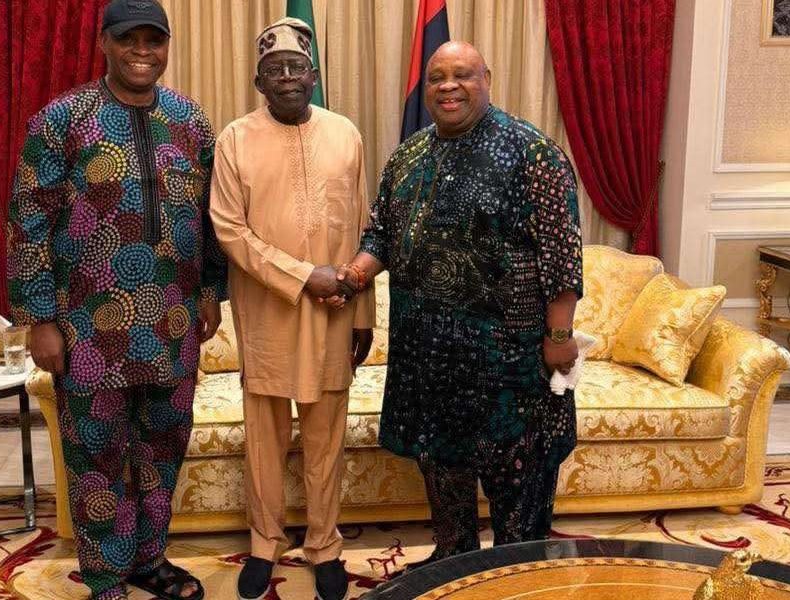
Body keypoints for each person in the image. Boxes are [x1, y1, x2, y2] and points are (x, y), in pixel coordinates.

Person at [330, 41, 583, 566]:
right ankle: (454, 561)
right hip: (428, 361)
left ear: (486, 78)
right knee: (442, 470)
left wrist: (559, 337)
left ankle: (516, 573)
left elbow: (562, 255)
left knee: (520, 480)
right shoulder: (409, 155)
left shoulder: (531, 152)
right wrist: (354, 274)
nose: (448, 85)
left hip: (510, 366)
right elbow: (382, 232)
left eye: (462, 75)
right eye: (437, 76)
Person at [7, 1, 226, 598]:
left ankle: (148, 560)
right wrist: (40, 320)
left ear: (166, 47)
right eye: (130, 39)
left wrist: (211, 288)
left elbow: (212, 218)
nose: (142, 51)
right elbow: (28, 221)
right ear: (105, 43)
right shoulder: (62, 119)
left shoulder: (191, 120)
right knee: (97, 456)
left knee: (161, 449)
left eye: (155, 41)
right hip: (87, 328)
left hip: (174, 324)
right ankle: (105, 575)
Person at [209, 17, 376, 600]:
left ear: (314, 74)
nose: (286, 78)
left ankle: (325, 544)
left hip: (334, 314)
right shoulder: (234, 140)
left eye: (296, 68)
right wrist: (304, 277)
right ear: (258, 80)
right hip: (269, 313)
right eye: (273, 70)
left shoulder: (345, 134)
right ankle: (264, 543)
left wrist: (364, 316)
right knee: (265, 437)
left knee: (327, 437)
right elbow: (229, 231)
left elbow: (362, 228)